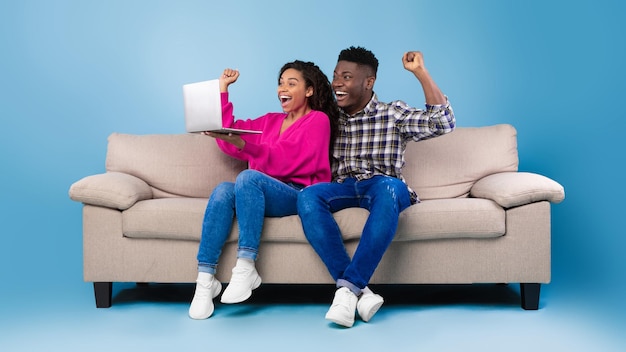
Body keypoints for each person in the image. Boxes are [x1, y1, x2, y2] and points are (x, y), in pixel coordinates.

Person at [297, 46, 456, 327]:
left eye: (346, 77)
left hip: (383, 186)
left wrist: (420, 73)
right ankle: (359, 292)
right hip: (343, 187)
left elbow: (442, 123)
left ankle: (347, 288)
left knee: (389, 188)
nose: (337, 83)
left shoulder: (392, 113)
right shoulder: (328, 117)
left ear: (368, 82)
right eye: (336, 76)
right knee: (309, 195)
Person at [189, 60, 339, 320]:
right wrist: (223, 90)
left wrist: (243, 144)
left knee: (247, 177)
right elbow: (232, 135)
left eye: (292, 83)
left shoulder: (318, 120)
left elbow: (286, 158)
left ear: (309, 90)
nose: (283, 88)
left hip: (299, 195)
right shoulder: (269, 121)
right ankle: (205, 281)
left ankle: (246, 265)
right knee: (224, 190)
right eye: (281, 83)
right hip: (258, 193)